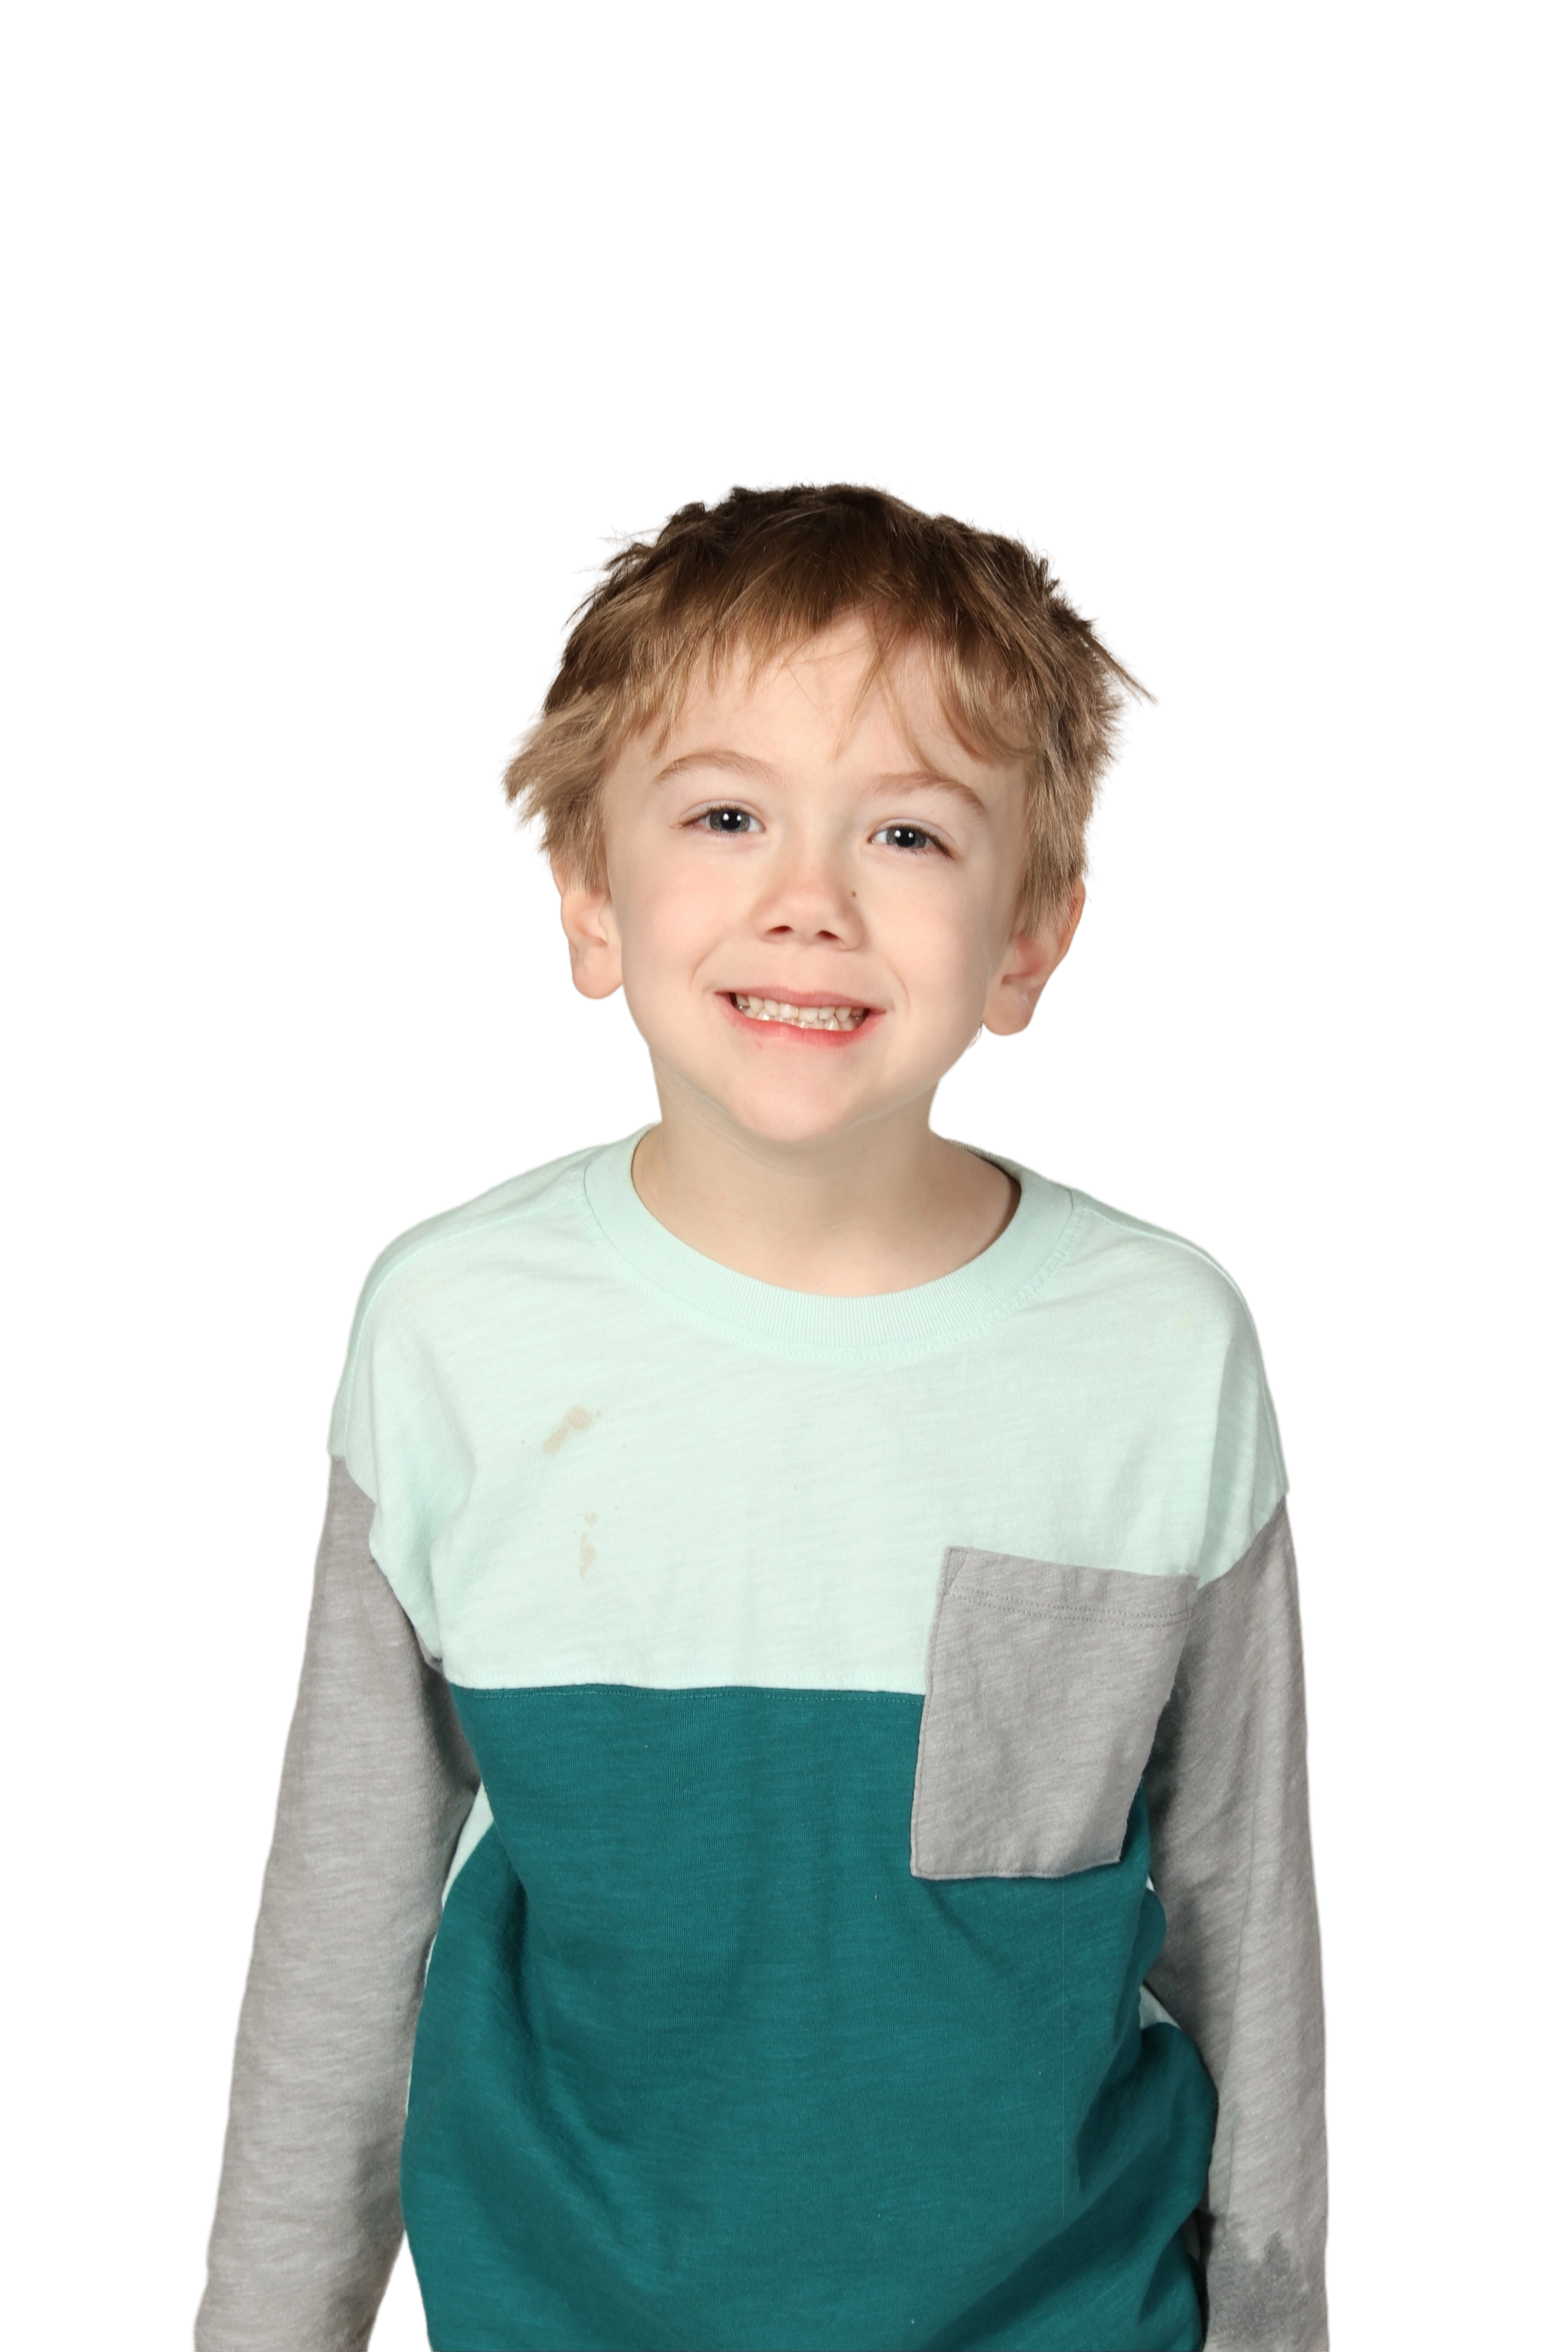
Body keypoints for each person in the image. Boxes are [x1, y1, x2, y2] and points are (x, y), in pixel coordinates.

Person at [190, 476, 1331, 2351]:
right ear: (589, 897)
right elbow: (346, 1927)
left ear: (1031, 934)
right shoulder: (453, 1328)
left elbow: (1244, 1926)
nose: (811, 900)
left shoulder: (1162, 1348)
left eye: (909, 830)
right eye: (727, 815)